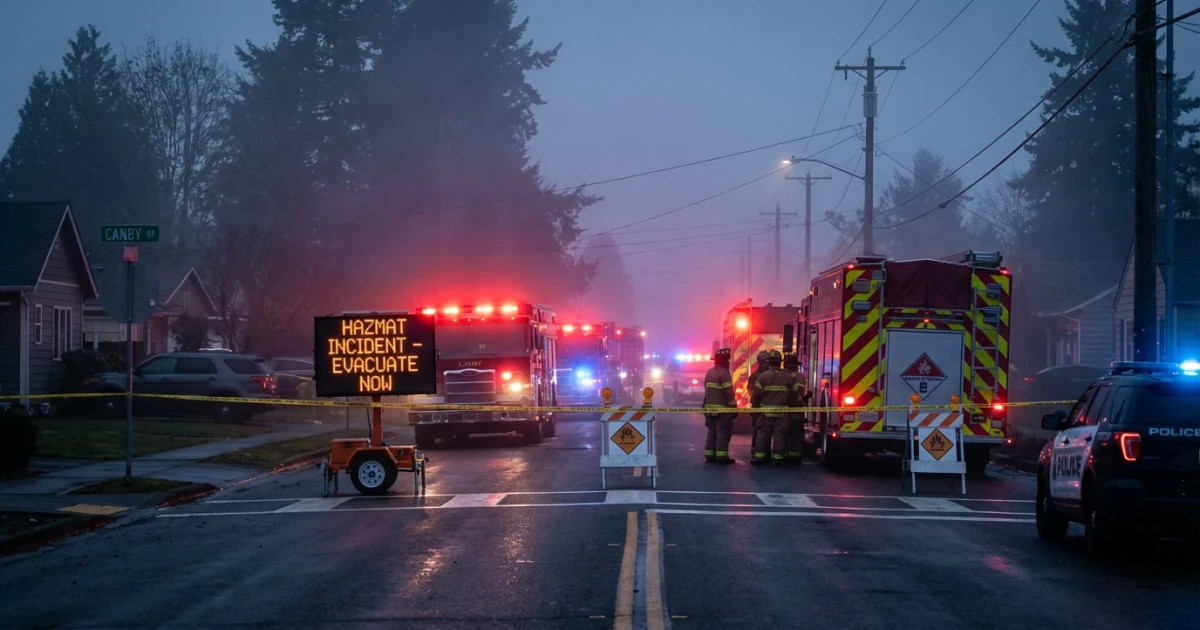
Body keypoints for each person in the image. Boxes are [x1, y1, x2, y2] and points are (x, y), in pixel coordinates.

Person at [750, 350, 798, 466]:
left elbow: (756, 395)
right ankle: (778, 458)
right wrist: (791, 406)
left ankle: (761, 458)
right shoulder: (788, 376)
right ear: (780, 362)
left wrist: (755, 407)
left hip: (766, 412)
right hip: (782, 412)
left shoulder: (763, 376)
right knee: (780, 434)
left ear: (769, 362)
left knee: (763, 434)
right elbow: (794, 394)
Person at [701, 348, 737, 464]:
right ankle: (721, 457)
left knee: (712, 432)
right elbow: (729, 393)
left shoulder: (709, 372)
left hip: (710, 409)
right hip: (723, 410)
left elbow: (707, 391)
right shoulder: (725, 373)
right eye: (728, 360)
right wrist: (733, 408)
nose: (729, 362)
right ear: (725, 361)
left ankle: (709, 455)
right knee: (722, 433)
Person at [782, 353, 812, 465]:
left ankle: (783, 454)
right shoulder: (799, 376)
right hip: (796, 410)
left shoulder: (782, 375)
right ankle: (794, 455)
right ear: (795, 365)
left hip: (784, 409)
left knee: (783, 433)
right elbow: (799, 394)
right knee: (795, 434)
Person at [745, 350, 770, 459]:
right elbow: (752, 392)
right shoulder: (755, 376)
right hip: (758, 408)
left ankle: (766, 451)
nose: (767, 364)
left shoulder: (768, 375)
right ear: (760, 363)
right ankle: (756, 451)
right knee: (758, 430)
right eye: (765, 362)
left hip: (767, 408)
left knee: (767, 431)